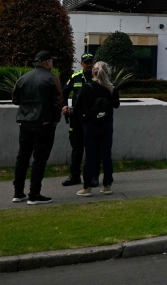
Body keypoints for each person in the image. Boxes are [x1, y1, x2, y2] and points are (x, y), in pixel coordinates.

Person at [11, 50, 63, 205]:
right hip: (44, 123)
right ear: (47, 62)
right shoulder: (52, 78)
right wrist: (55, 120)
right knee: (39, 159)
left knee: (23, 157)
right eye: (51, 61)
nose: (52, 64)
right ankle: (34, 194)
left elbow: (15, 99)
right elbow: (58, 101)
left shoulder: (23, 78)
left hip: (25, 123)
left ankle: (18, 192)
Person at [73, 61, 120, 197]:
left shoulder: (87, 87)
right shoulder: (112, 88)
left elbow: (77, 108)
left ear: (93, 72)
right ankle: (107, 185)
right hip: (106, 125)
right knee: (106, 156)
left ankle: (87, 187)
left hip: (91, 126)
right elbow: (116, 105)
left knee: (90, 157)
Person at [61, 53, 95, 187]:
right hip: (76, 118)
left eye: (91, 62)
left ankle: (92, 177)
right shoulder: (75, 77)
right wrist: (64, 105)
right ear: (81, 63)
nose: (89, 64)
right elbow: (64, 92)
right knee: (76, 148)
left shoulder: (97, 76)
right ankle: (74, 176)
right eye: (86, 62)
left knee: (92, 148)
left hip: (92, 118)